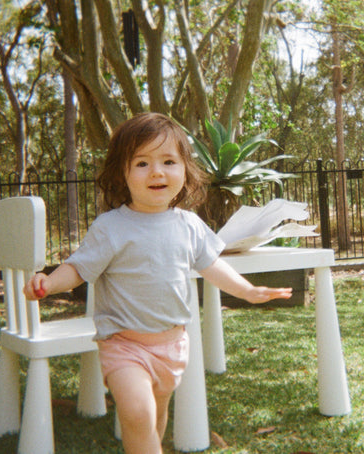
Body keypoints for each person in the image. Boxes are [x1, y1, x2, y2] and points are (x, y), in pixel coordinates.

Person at [23, 113, 292, 454]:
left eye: (168, 161)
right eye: (142, 163)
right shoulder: (111, 227)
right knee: (138, 413)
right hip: (124, 345)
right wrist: (49, 282)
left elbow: (212, 265)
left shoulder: (189, 225)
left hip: (173, 346)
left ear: (185, 170)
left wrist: (247, 290)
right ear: (122, 173)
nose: (157, 172)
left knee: (155, 417)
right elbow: (78, 268)